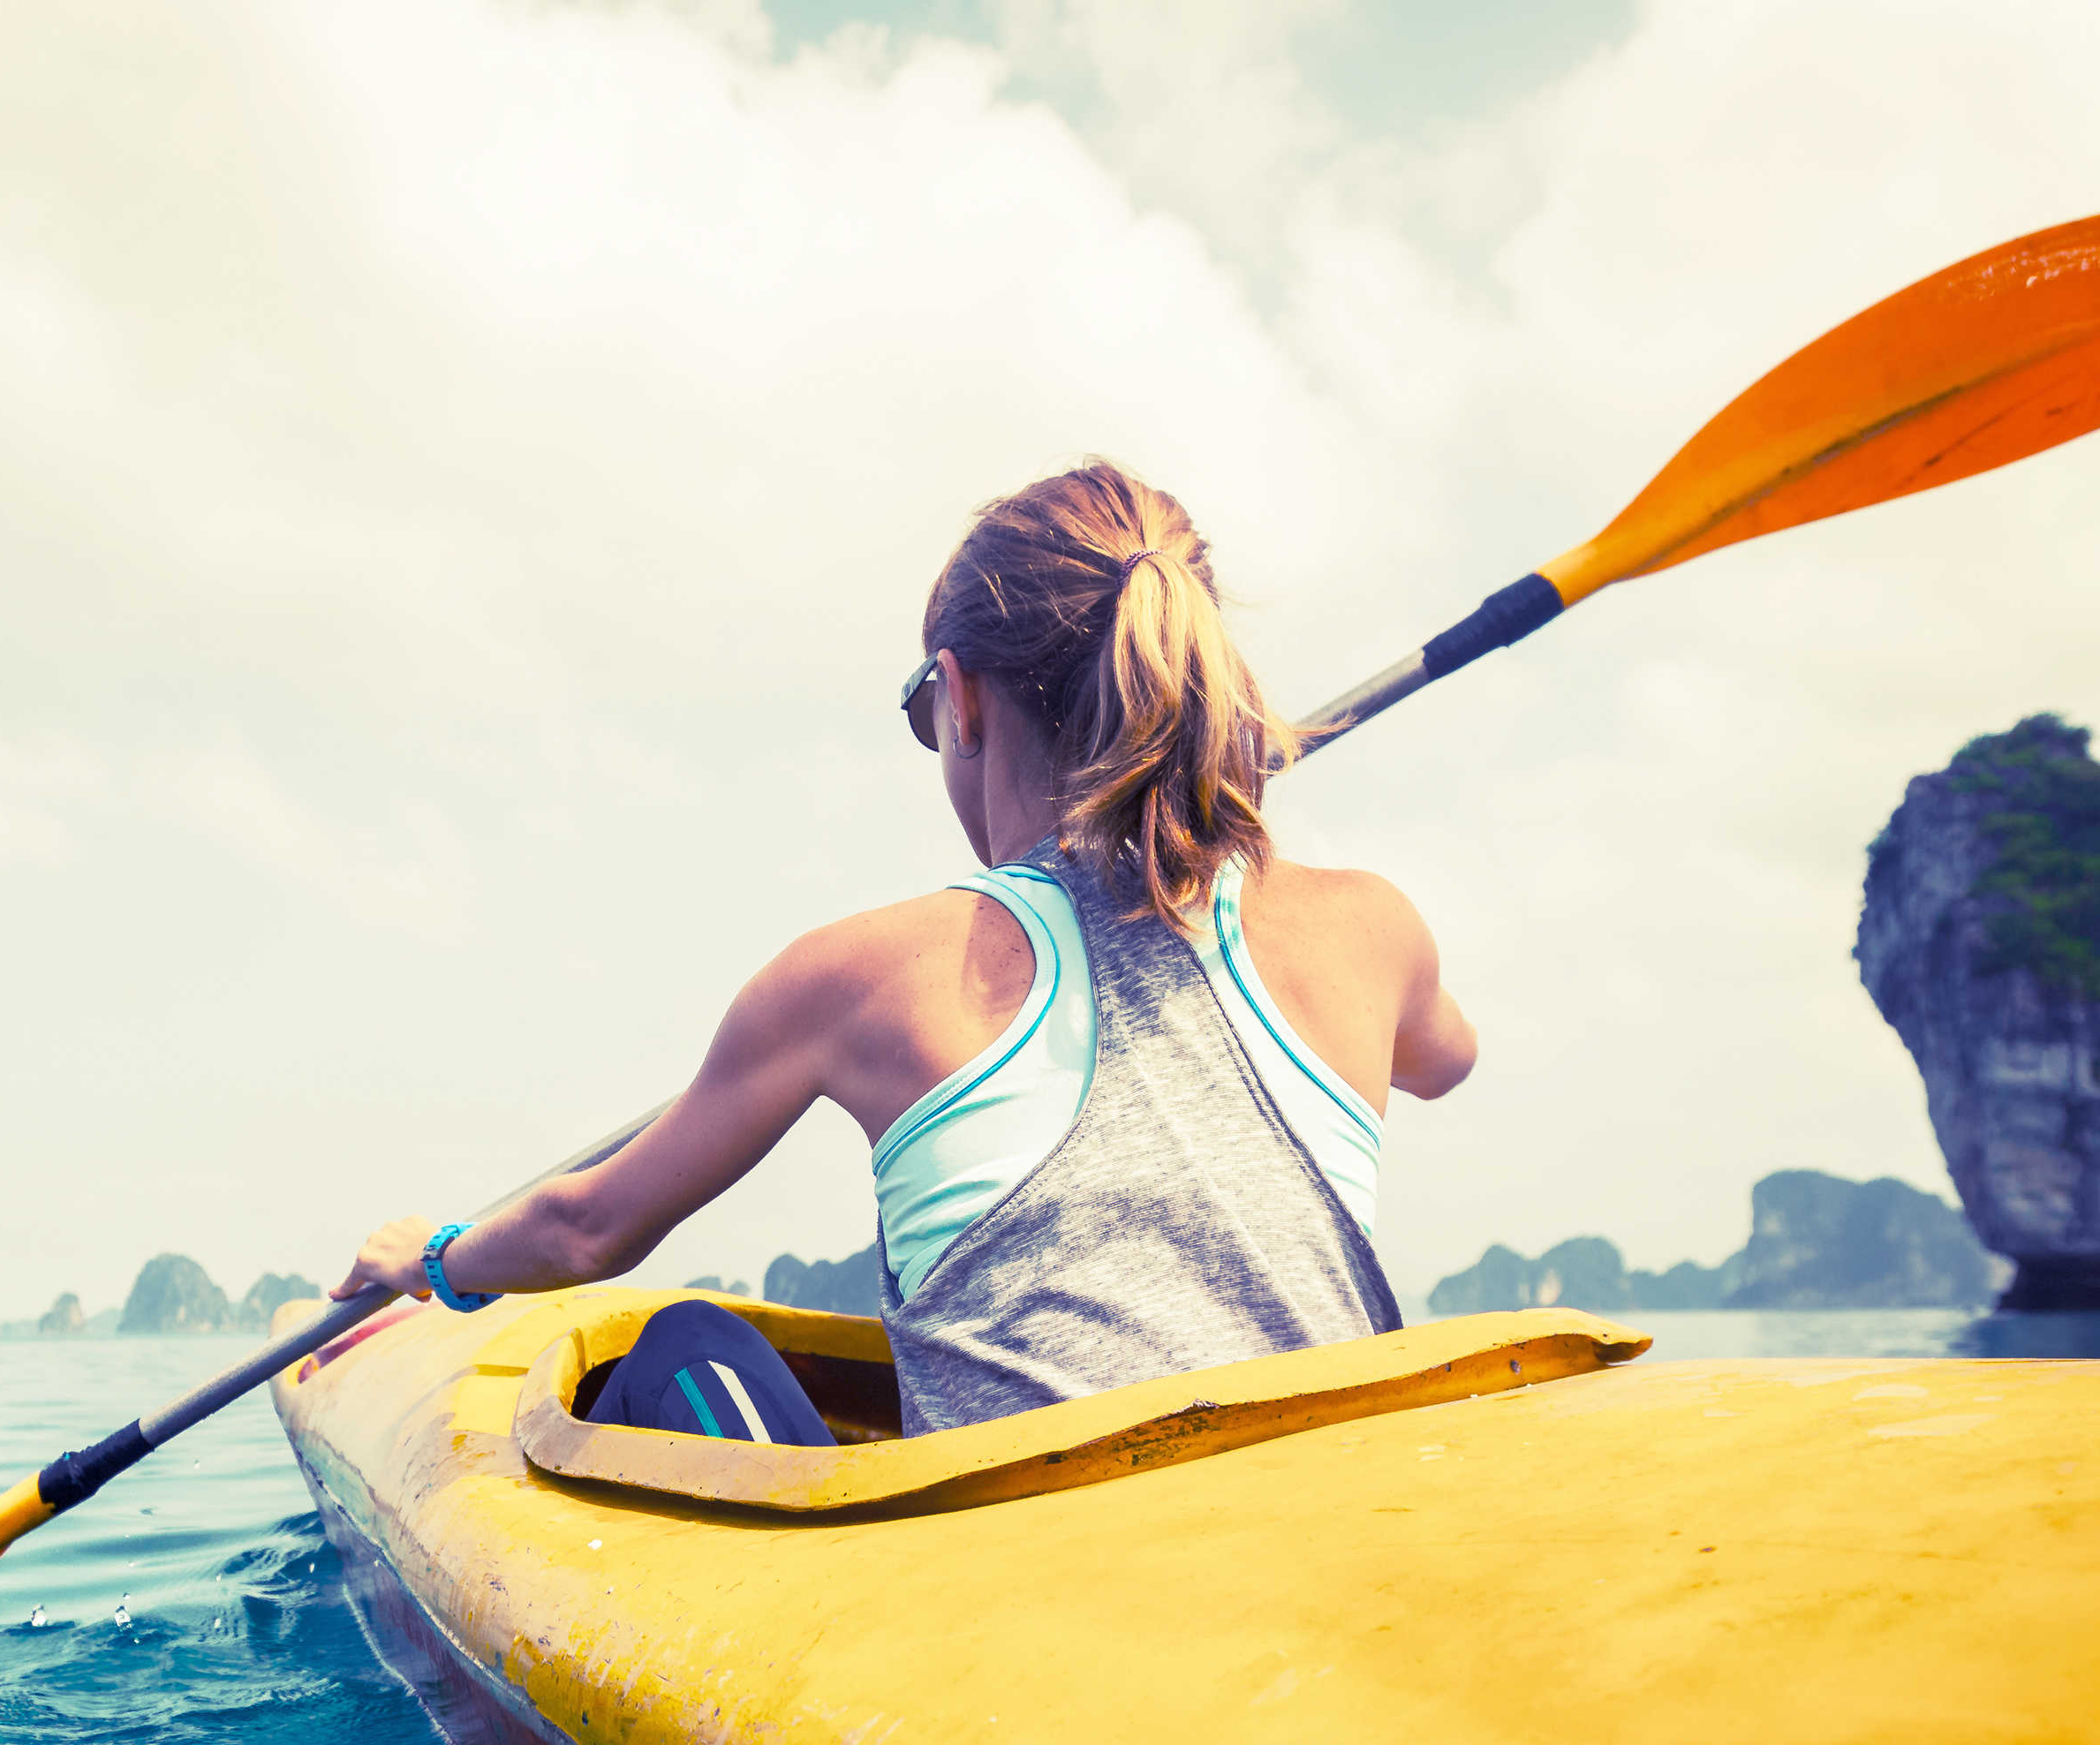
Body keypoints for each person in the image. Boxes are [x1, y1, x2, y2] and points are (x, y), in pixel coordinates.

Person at [330, 461, 1477, 1439]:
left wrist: (429, 1260)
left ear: (960, 698)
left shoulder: (858, 977)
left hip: (1028, 1590)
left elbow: (589, 1227)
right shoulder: (1368, 929)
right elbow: (1442, 1061)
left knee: (680, 1345)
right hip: (1330, 1519)